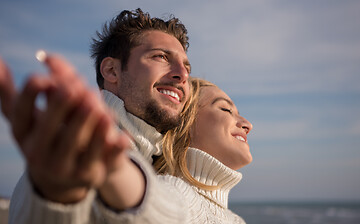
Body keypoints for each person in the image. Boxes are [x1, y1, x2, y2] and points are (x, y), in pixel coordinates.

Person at [0, 8, 192, 223]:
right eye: (161, 56)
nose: (183, 75)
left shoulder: (163, 166)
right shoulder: (66, 149)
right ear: (111, 71)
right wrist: (58, 200)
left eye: (187, 67)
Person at [96, 77, 253, 223]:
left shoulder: (235, 220)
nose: (247, 124)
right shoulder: (179, 196)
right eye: (226, 109)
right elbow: (148, 202)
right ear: (187, 124)